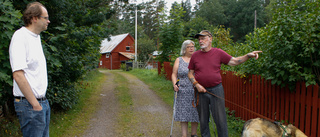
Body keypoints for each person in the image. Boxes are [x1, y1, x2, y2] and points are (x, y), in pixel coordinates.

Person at [188, 30, 262, 137]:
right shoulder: (195, 55)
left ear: (210, 39)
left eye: (203, 38)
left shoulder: (218, 53)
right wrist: (196, 84)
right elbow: (190, 74)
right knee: (203, 121)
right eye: (199, 39)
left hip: (216, 89)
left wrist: (247, 56)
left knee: (220, 120)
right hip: (200, 91)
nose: (200, 41)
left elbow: (235, 61)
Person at [9, 2, 51, 137]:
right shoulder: (20, 37)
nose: (48, 21)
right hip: (29, 105)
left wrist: (41, 104)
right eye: (45, 18)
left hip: (42, 102)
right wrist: (35, 105)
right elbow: (18, 75)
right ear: (34, 18)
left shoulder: (36, 38)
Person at [172, 40, 200, 137]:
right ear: (184, 49)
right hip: (183, 90)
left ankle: (194, 134)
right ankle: (184, 135)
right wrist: (175, 84)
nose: (192, 48)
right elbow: (174, 74)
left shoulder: (197, 59)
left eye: (193, 46)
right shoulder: (179, 60)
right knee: (183, 113)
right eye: (189, 46)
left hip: (195, 90)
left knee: (195, 112)